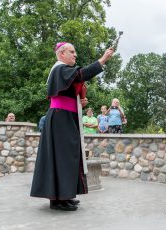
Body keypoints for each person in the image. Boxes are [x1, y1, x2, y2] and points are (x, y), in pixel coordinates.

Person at [30, 41, 114, 211]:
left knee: (66, 157)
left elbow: (67, 93)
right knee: (63, 157)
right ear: (61, 54)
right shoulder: (60, 69)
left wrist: (79, 102)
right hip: (61, 119)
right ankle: (59, 199)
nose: (75, 55)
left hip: (65, 118)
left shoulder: (61, 71)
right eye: (72, 51)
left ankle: (64, 197)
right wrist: (102, 59)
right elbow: (81, 75)